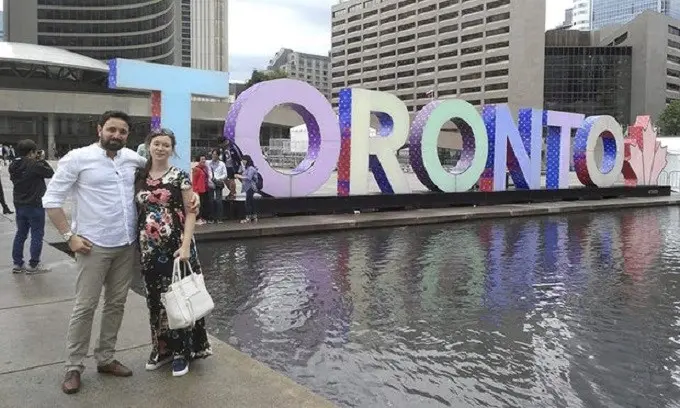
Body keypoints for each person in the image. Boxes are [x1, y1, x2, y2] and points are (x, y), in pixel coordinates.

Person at [42, 110, 199, 394]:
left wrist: (192, 194)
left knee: (116, 305)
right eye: (111, 129)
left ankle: (105, 358)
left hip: (126, 245)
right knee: (85, 306)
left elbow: (159, 174)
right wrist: (69, 236)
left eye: (122, 131)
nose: (116, 135)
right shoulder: (78, 158)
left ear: (128, 135)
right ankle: (74, 366)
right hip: (92, 245)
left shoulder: (131, 160)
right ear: (99, 129)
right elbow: (51, 200)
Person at [134, 129, 212, 377]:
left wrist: (186, 245)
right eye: (156, 143)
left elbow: (191, 211)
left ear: (172, 149)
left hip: (178, 247)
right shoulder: (139, 175)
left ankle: (183, 351)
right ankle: (162, 348)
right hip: (149, 249)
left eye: (165, 145)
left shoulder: (179, 176)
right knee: (155, 300)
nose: (160, 148)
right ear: (148, 145)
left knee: (180, 297)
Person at [9, 139, 54, 274]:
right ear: (31, 152)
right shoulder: (35, 164)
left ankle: (18, 264)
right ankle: (34, 264)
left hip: (19, 204)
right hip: (34, 204)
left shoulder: (13, 164)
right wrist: (41, 160)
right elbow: (50, 173)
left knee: (20, 233)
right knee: (36, 234)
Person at [235, 154, 259, 223]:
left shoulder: (251, 168)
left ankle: (248, 217)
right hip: (248, 187)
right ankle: (254, 217)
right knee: (251, 202)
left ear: (247, 160)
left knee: (248, 202)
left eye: (244, 160)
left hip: (250, 187)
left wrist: (239, 176)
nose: (242, 161)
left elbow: (248, 178)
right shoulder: (247, 168)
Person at [208, 149, 227, 222]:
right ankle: (212, 218)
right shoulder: (209, 163)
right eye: (213, 154)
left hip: (218, 183)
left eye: (215, 154)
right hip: (211, 183)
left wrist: (218, 179)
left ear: (218, 155)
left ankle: (219, 218)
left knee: (219, 201)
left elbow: (225, 174)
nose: (214, 156)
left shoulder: (222, 164)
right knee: (211, 201)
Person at [192, 155, 211, 225]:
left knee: (204, 204)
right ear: (198, 161)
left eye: (204, 159)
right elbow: (194, 180)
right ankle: (198, 218)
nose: (204, 160)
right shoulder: (196, 169)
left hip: (205, 189)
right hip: (199, 190)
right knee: (199, 205)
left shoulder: (205, 168)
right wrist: (195, 190)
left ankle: (203, 218)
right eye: (202, 159)